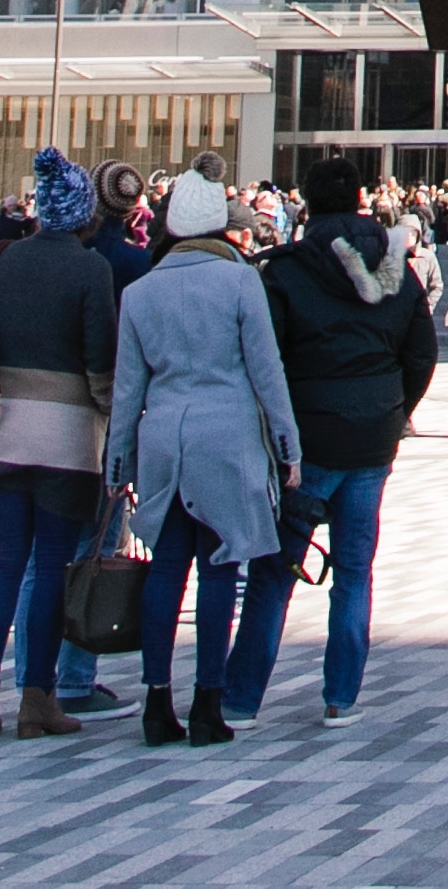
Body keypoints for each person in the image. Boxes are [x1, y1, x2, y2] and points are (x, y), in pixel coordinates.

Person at [106, 172, 298, 746]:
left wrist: (118, 463)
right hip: (228, 437)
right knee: (219, 568)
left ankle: (156, 700)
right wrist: (288, 447)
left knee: (166, 568)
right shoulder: (241, 284)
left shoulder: (139, 293)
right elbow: (268, 373)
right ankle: (209, 704)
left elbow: (126, 390)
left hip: (163, 436)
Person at [249, 162, 435, 725]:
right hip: (372, 434)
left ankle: (240, 699)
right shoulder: (394, 267)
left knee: (275, 572)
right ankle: (340, 697)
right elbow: (421, 353)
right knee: (355, 570)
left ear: (306, 203)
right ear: (359, 199)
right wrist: (394, 410)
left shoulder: (286, 270)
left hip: (307, 436)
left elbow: (268, 359)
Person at [0, 151, 123, 740]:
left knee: (4, 564)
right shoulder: (90, 270)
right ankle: (38, 700)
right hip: (65, 438)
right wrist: (115, 421)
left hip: (3, 431)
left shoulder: (3, 259)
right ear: (84, 213)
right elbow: (99, 363)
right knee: (50, 567)